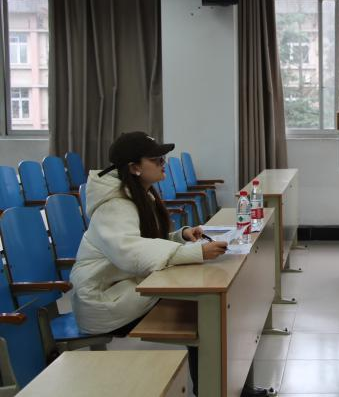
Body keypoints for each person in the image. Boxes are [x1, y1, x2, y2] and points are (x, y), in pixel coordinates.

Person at [70, 131, 227, 395]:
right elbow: (133, 253)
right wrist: (196, 252)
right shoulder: (114, 206)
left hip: (123, 286)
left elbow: (145, 243)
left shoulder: (138, 194)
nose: (164, 164)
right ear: (134, 168)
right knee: (205, 314)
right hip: (101, 300)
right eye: (156, 160)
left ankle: (217, 387)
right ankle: (209, 390)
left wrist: (180, 236)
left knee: (206, 309)